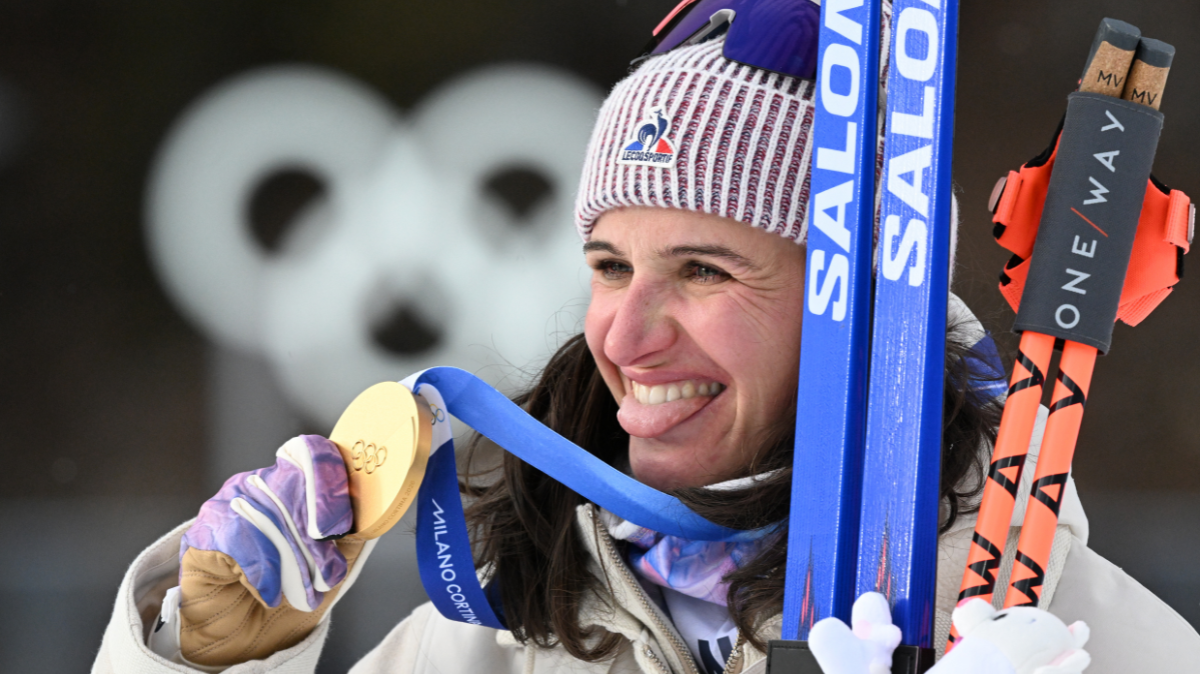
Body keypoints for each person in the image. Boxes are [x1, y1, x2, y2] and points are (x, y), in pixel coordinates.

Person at [93, 7, 1200, 674]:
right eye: (610, 265)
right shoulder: (495, 642)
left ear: (861, 313)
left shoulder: (1075, 642)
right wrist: (208, 658)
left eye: (705, 270)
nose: (625, 331)